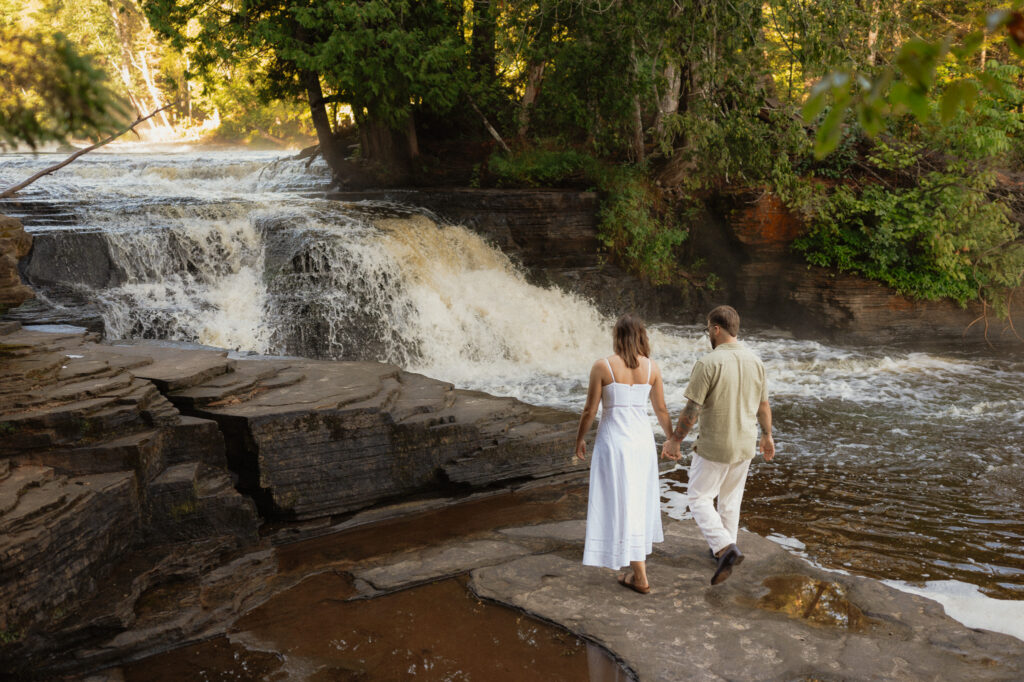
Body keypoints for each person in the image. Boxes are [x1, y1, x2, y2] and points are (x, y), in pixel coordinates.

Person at [661, 305, 775, 585]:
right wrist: (767, 435)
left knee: (698, 497)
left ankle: (725, 547)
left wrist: (675, 440)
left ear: (716, 329)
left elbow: (692, 409)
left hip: (716, 444)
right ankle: (724, 550)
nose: (707, 334)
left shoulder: (708, 362)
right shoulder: (755, 361)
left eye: (707, 329)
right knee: (730, 499)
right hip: (746, 442)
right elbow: (763, 404)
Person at [575, 314, 673, 594]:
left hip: (614, 443)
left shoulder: (602, 366)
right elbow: (661, 410)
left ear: (617, 336)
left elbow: (590, 410)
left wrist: (579, 439)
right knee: (637, 501)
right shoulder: (652, 368)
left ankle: (639, 574)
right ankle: (635, 567)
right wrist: (672, 440)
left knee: (618, 501)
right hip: (642, 443)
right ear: (642, 336)